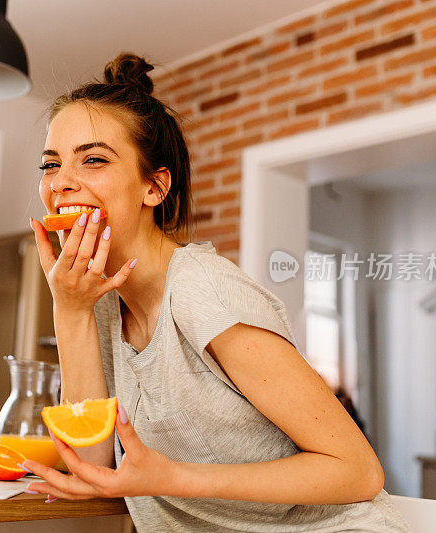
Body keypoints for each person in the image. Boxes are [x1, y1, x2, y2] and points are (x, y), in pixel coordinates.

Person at [22, 52, 410, 532]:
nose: (61, 183)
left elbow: (358, 470)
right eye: (50, 164)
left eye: (94, 160)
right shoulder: (99, 302)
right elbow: (90, 460)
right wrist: (70, 309)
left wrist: (170, 477)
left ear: (154, 187)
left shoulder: (201, 287)